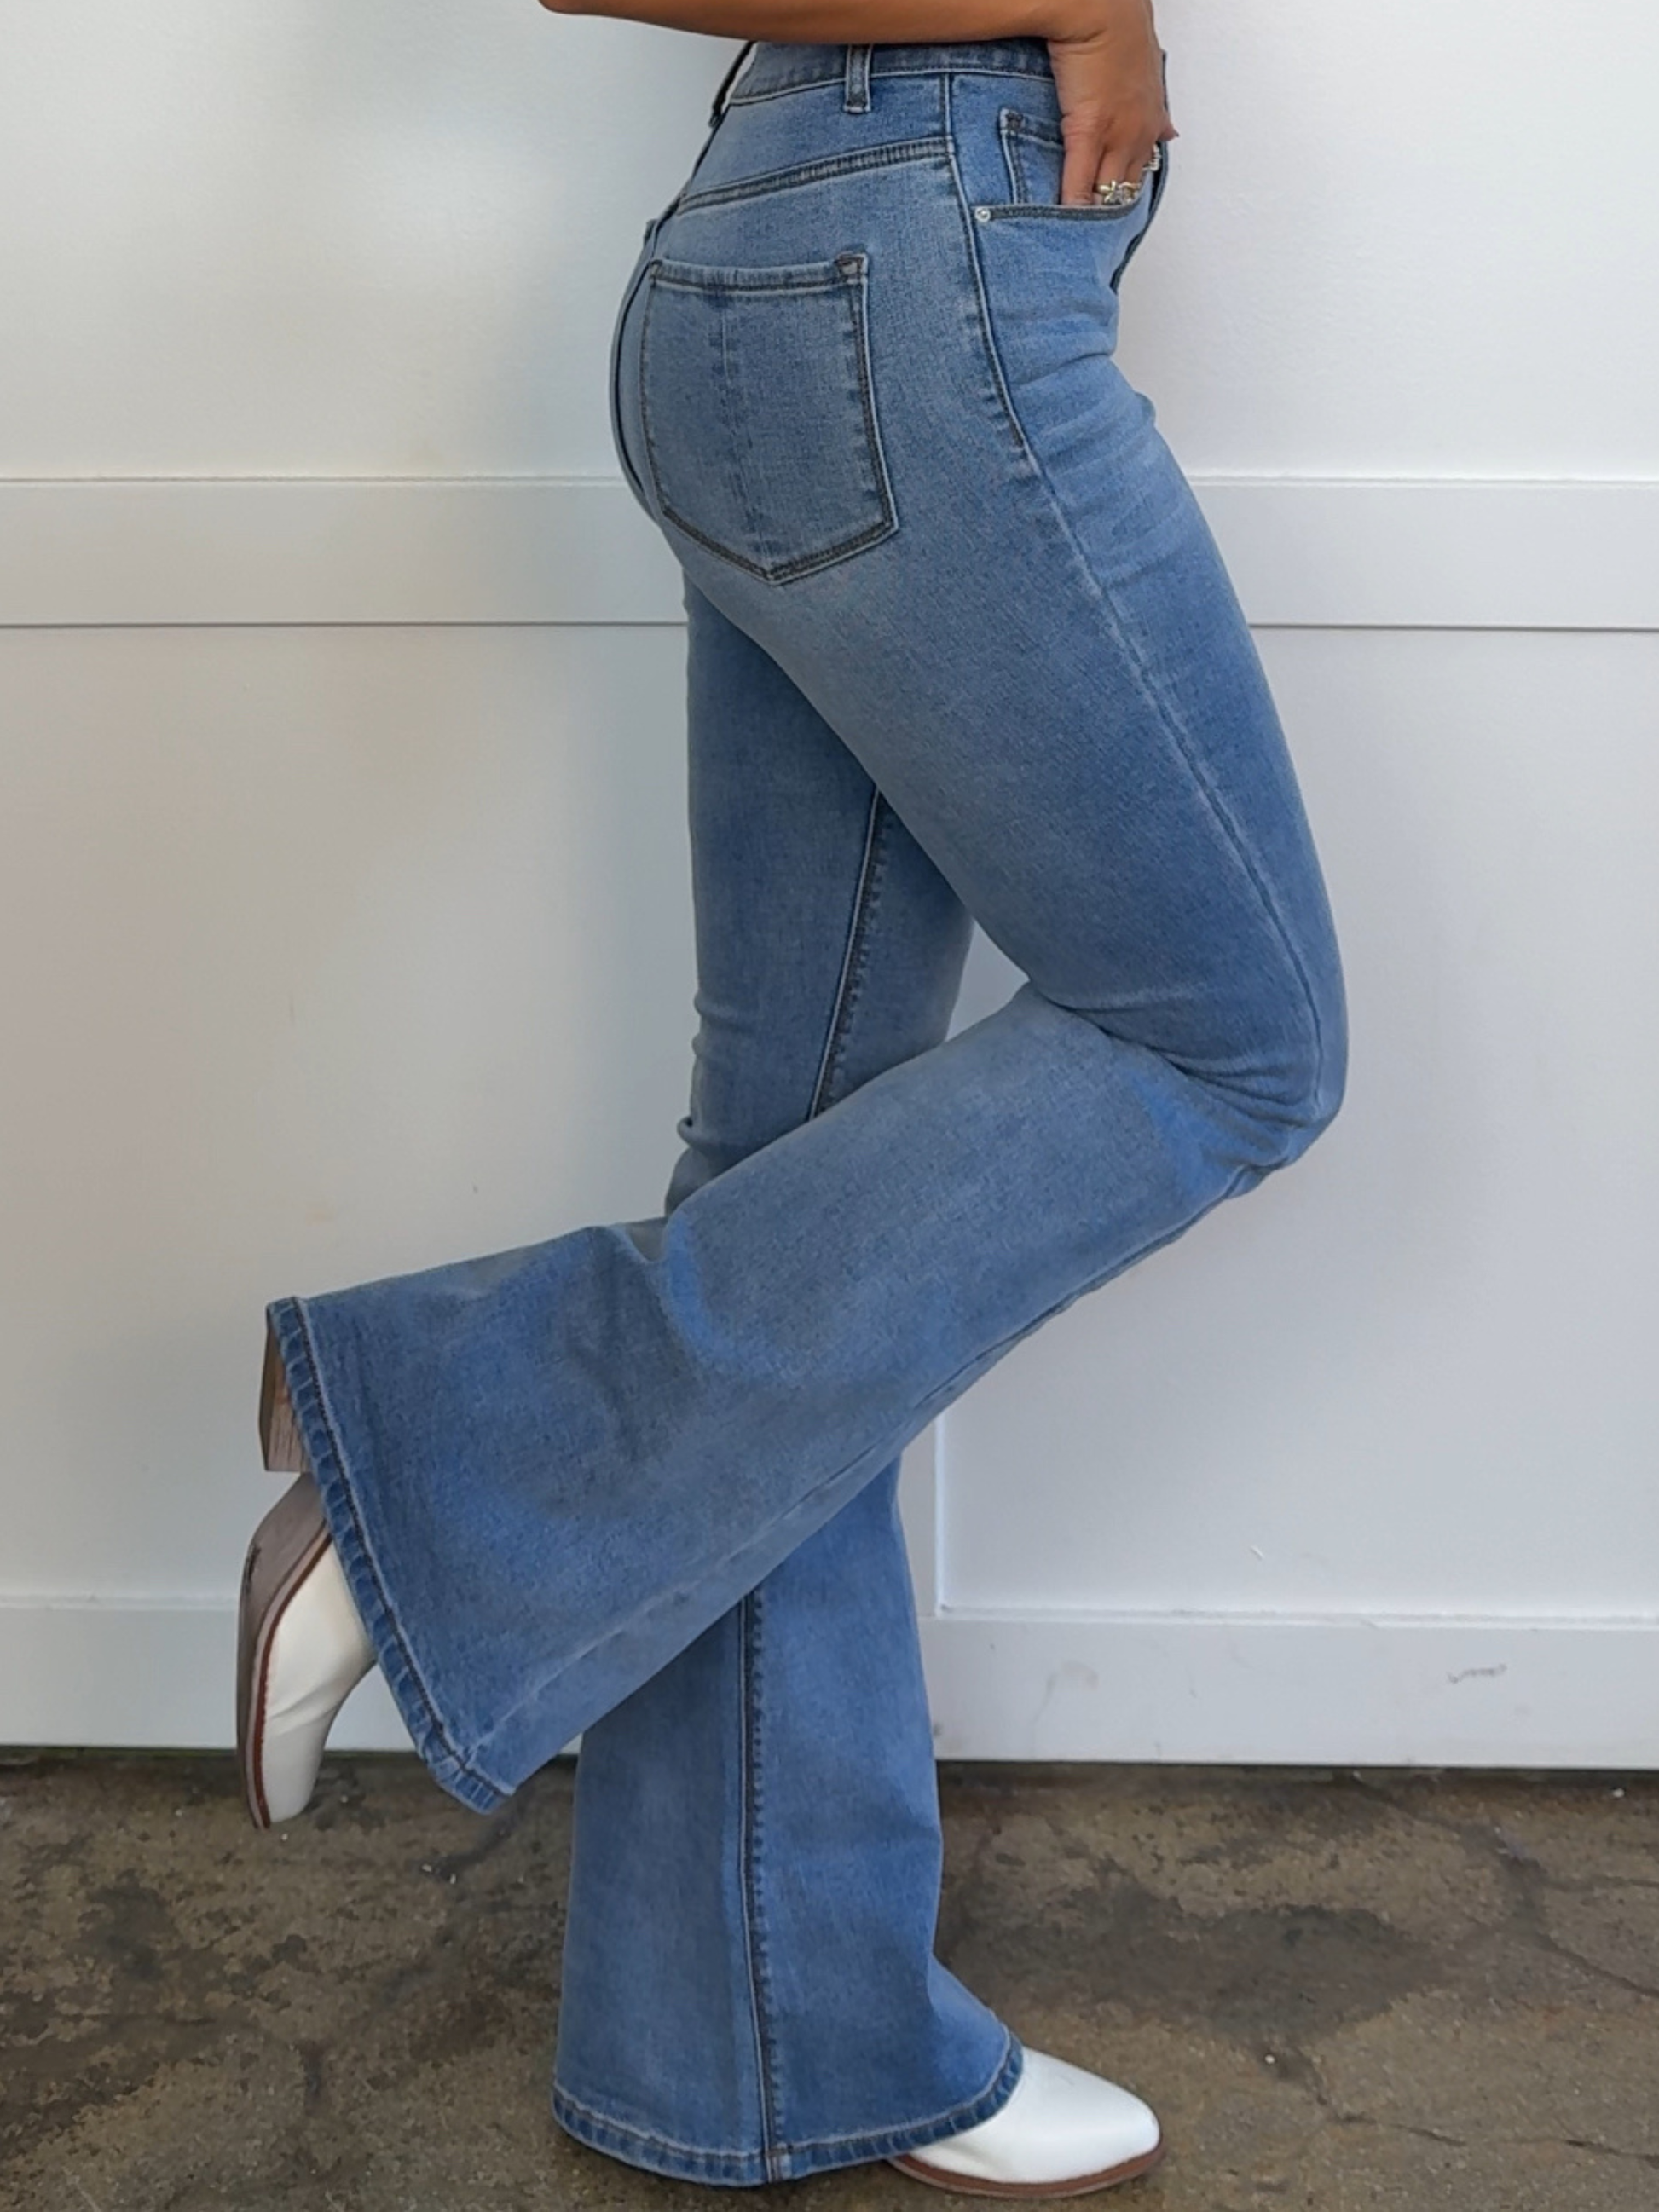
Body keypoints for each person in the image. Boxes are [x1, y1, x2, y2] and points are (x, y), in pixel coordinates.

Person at [235, 0, 1346, 2194]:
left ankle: (757, 2038)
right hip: (907, 278)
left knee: (795, 1159)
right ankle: (441, 1459)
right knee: (1232, 1036)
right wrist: (1086, 8)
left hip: (826, 262)